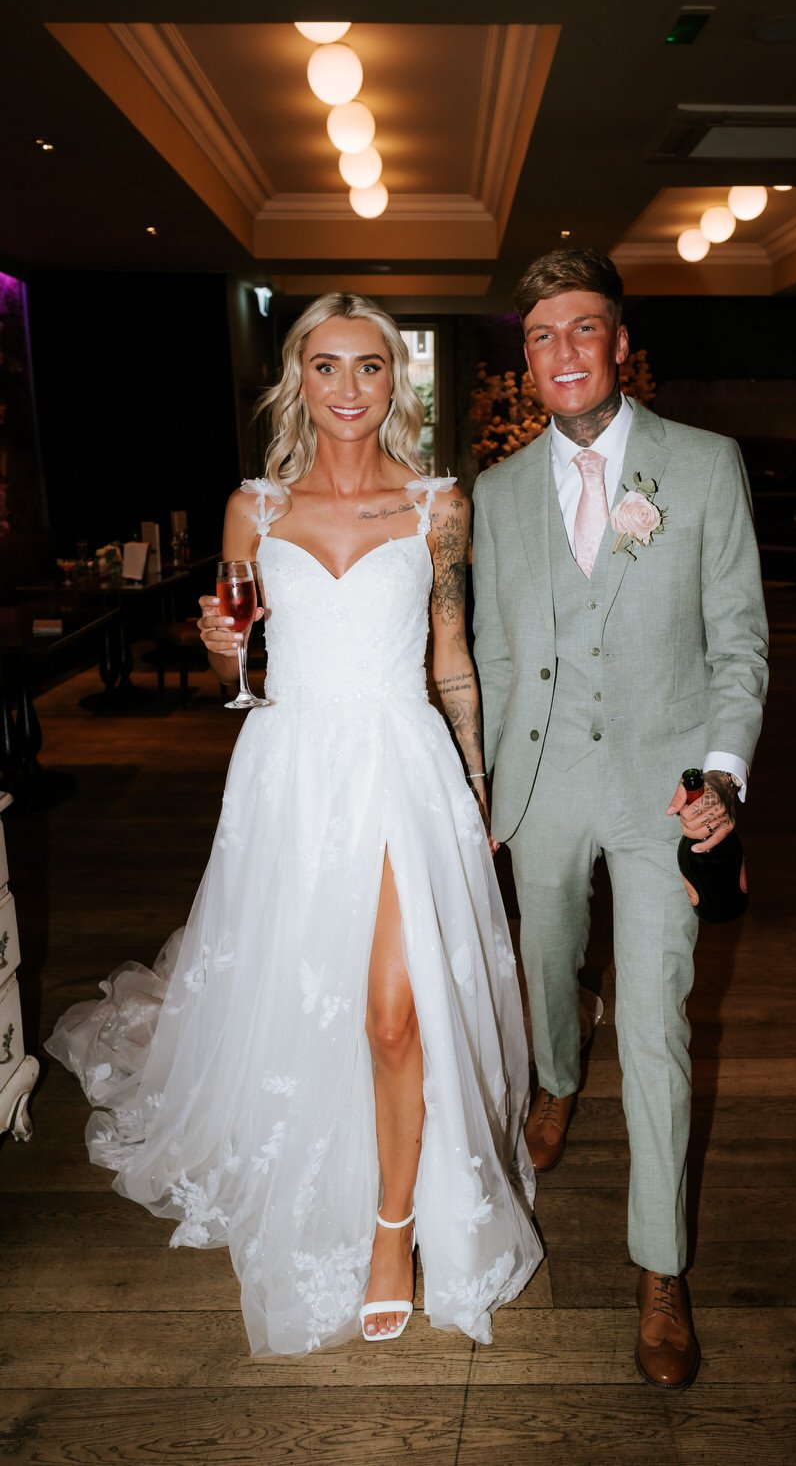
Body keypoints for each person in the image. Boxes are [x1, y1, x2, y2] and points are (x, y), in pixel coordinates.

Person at [46, 292, 542, 1355]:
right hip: (291, 767)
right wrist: (220, 643)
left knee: (394, 1014)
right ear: (297, 380)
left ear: (393, 383)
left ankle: (393, 1232)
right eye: (327, 366)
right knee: (312, 992)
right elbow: (238, 659)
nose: (349, 388)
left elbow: (449, 655)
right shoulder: (252, 510)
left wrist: (476, 785)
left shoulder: (436, 505)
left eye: (369, 367)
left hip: (404, 765)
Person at [471, 249, 768, 1389]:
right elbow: (493, 654)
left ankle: (658, 1267)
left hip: (665, 793)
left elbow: (737, 642)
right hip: (541, 790)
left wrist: (723, 778)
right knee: (548, 971)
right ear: (526, 357)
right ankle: (554, 1075)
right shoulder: (495, 496)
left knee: (655, 1024)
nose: (562, 354)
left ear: (619, 342)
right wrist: (486, 785)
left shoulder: (701, 466)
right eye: (541, 336)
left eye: (582, 330)